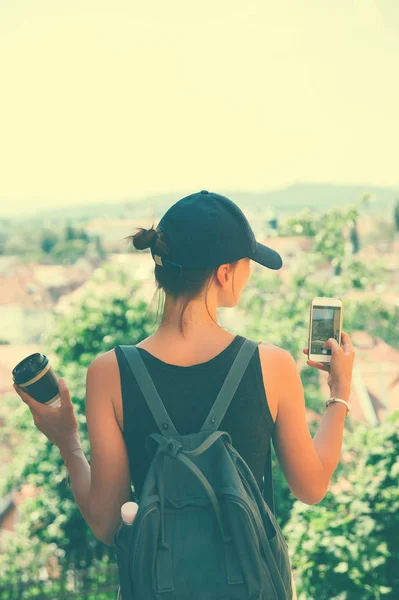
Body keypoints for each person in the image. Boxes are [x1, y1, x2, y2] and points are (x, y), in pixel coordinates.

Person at [15, 190, 355, 600]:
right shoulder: (272, 365)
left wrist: (67, 440)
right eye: (247, 265)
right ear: (225, 273)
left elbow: (106, 524)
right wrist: (339, 393)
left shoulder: (108, 373)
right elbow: (311, 487)